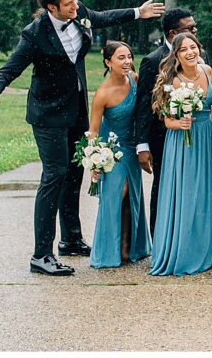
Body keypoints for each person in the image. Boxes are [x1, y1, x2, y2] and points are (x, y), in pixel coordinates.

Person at [0, 0, 163, 276]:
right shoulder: (35, 34)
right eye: (68, 5)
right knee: (55, 174)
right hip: (48, 115)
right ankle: (41, 254)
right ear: (52, 7)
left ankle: (72, 239)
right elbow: (12, 66)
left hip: (76, 109)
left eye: (75, 1)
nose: (75, 7)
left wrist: (138, 12)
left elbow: (104, 16)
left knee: (75, 173)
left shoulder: (79, 15)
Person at [148, 32, 212, 275]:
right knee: (187, 194)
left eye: (193, 47)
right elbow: (166, 120)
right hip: (183, 142)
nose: (190, 52)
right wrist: (179, 124)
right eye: (184, 49)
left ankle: (211, 245)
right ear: (176, 54)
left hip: (206, 135)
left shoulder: (206, 70)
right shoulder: (172, 80)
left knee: (208, 191)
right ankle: (186, 249)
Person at [131, 7, 198, 234]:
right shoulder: (152, 60)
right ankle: (159, 237)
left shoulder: (201, 55)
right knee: (163, 186)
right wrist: (142, 144)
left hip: (195, 134)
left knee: (191, 186)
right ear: (172, 33)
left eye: (194, 28)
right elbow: (143, 105)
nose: (194, 32)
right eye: (189, 28)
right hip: (163, 136)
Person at [88, 41, 151, 268]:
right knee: (117, 192)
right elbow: (93, 131)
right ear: (108, 62)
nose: (127, 62)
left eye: (129, 57)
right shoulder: (102, 94)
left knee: (132, 193)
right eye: (121, 58)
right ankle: (107, 250)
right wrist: (94, 160)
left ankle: (128, 246)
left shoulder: (133, 79)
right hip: (111, 148)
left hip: (131, 144)